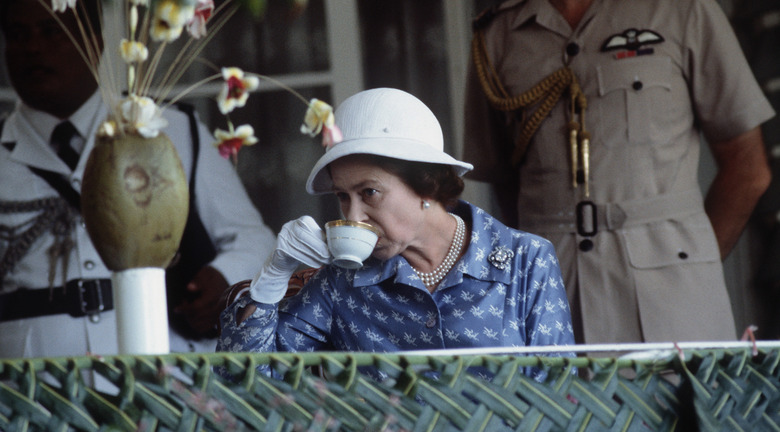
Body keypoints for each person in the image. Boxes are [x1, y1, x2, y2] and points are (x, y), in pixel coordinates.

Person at [463, 0, 775, 344]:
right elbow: (505, 182)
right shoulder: (498, 33)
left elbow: (748, 169)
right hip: (551, 294)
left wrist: (694, 259)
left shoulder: (683, 9)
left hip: (672, 295)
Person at [217, 88, 575, 380]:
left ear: (427, 185)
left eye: (369, 192)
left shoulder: (526, 261)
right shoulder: (343, 281)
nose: (353, 217)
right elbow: (245, 382)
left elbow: (559, 398)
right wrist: (274, 274)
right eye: (343, 196)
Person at [0, 0, 276, 358]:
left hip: (161, 365)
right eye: (18, 35)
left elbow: (255, 239)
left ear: (95, 42)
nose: (33, 48)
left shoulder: (169, 130)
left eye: (51, 32)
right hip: (31, 377)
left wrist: (224, 277)